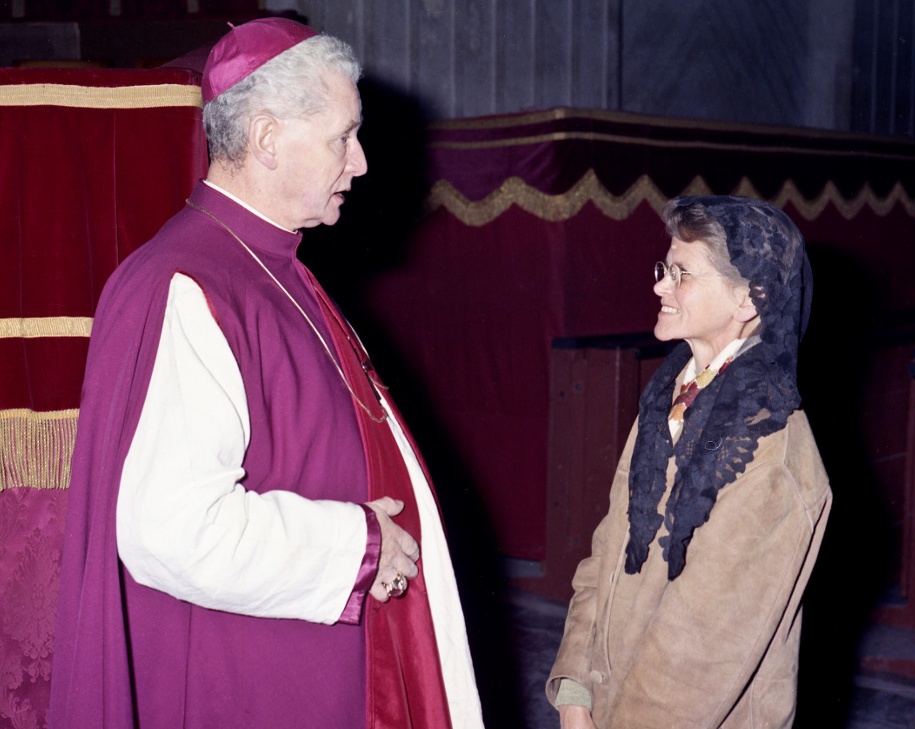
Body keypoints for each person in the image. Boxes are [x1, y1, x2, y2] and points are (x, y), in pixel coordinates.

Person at [50, 18, 483, 729]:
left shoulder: (273, 267)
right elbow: (171, 529)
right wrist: (360, 544)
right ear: (266, 138)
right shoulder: (189, 281)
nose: (362, 162)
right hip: (244, 671)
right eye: (343, 136)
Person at [546, 196, 831, 729]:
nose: (659, 286)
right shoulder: (672, 398)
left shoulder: (770, 453)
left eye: (682, 275)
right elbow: (606, 553)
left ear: (749, 300)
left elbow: (700, 653)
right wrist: (575, 688)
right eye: (664, 269)